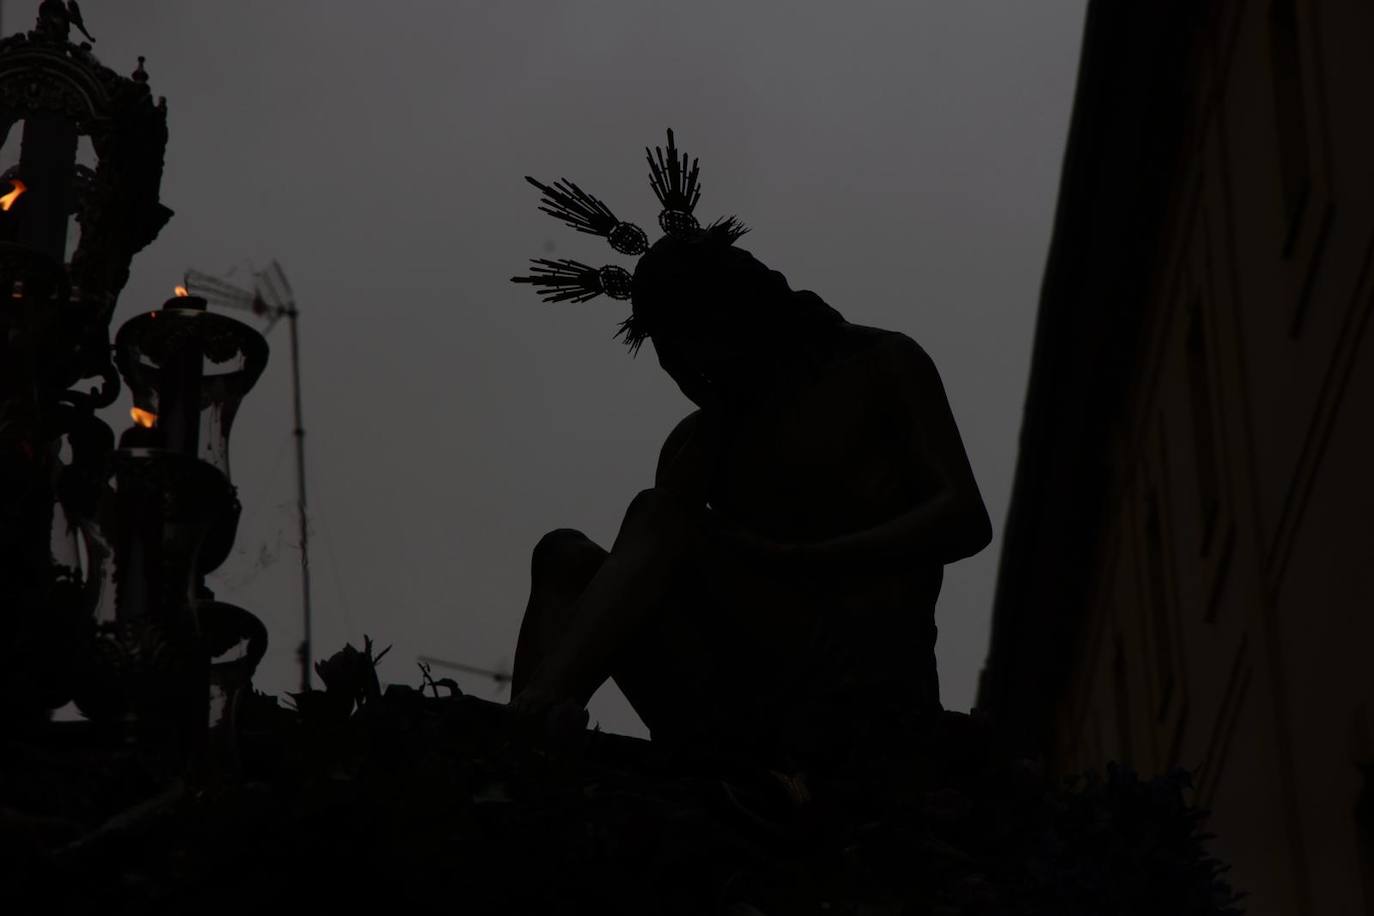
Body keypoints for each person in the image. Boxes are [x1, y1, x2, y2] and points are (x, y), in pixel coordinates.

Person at [510, 226, 991, 767]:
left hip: (858, 668)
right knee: (562, 555)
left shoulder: (880, 361)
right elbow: (657, 578)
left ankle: (539, 714)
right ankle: (521, 736)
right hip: (742, 685)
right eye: (679, 347)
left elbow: (965, 518)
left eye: (700, 330)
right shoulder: (699, 439)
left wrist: (811, 559)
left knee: (658, 513)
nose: (700, 358)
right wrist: (720, 414)